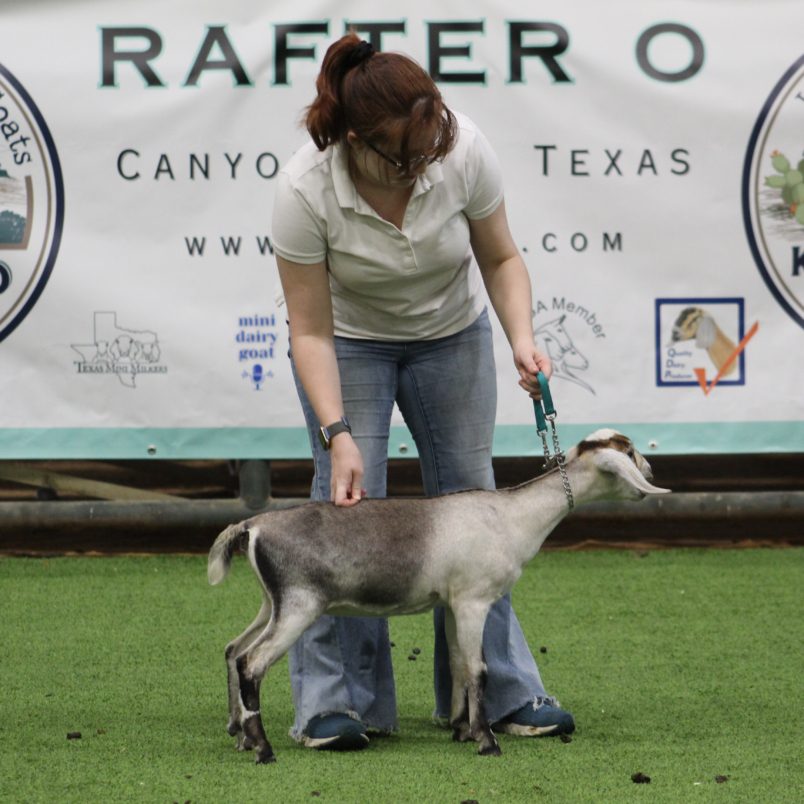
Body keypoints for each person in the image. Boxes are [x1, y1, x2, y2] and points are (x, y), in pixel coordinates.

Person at [271, 32, 575, 751]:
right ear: (353, 139)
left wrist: (521, 335)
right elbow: (309, 330)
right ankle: (334, 705)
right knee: (346, 515)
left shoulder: (463, 147)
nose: (419, 168)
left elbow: (500, 256)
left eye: (428, 150)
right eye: (403, 159)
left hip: (452, 335)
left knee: (479, 505)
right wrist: (337, 433)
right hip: (347, 342)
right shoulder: (303, 189)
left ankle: (498, 692)